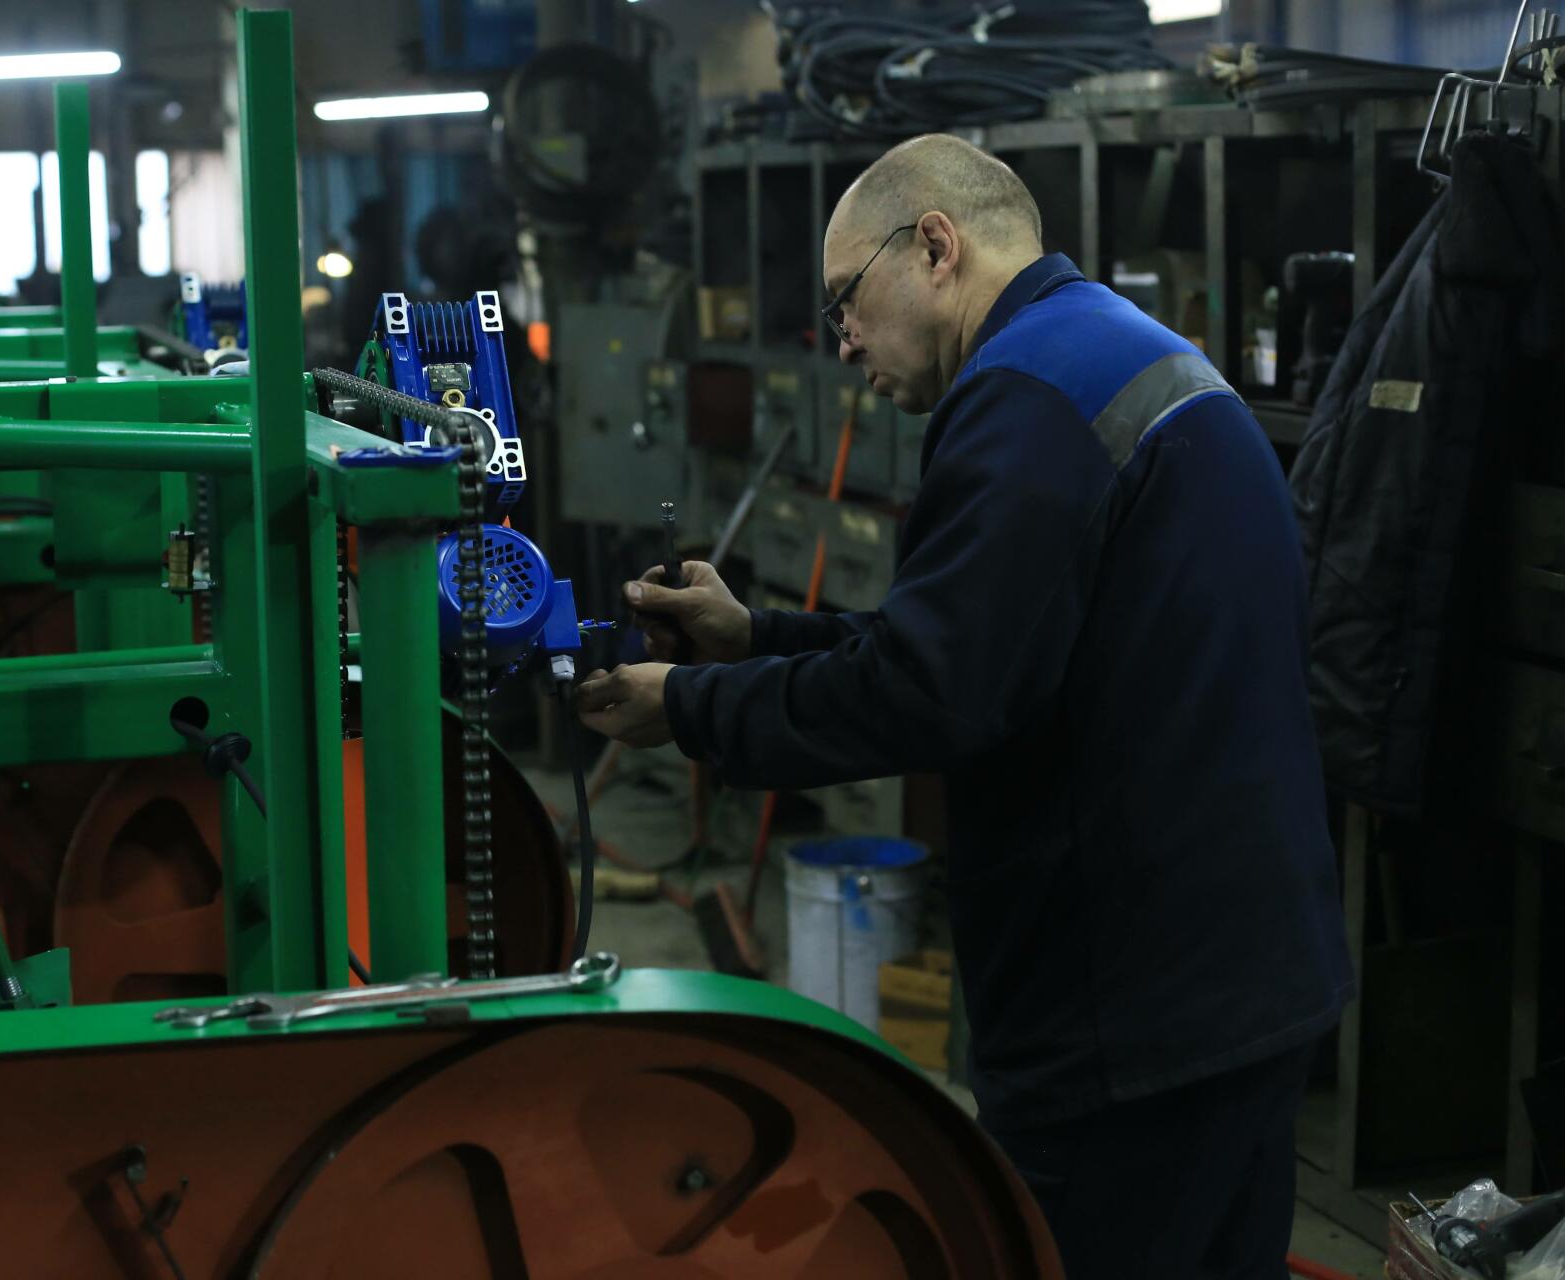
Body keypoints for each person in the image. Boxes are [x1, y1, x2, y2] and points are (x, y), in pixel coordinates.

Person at [574, 134, 1352, 1277]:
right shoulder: (1116, 354)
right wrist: (753, 640)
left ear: (935, 246)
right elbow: (994, 652)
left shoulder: (1023, 399)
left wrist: (691, 706)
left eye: (847, 301)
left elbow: (931, 692)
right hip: (1244, 979)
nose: (843, 343)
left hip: (1125, 1016)